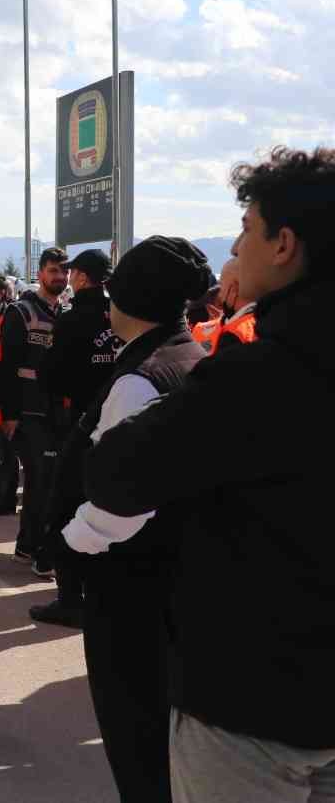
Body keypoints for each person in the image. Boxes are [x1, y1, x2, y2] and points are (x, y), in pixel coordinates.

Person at [83, 149, 335, 803]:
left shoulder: (265, 374)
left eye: (247, 227)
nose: (236, 244)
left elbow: (116, 474)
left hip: (254, 700)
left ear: (284, 244)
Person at [51, 237, 210, 802]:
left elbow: (124, 499)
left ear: (127, 301)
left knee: (135, 731)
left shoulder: (141, 378)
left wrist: (71, 543)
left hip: (132, 585)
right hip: (174, 578)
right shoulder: (189, 356)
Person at [30, 247, 121, 626]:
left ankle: (70, 598)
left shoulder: (72, 318)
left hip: (80, 423)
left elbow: (53, 374)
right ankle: (104, 593)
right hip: (120, 417)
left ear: (81, 277)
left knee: (66, 509)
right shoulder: (118, 313)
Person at [0, 246, 68, 572]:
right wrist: (9, 414)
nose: (60, 277)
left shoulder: (65, 314)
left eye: (64, 272)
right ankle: (33, 549)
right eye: (54, 271)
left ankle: (29, 546)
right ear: (40, 273)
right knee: (40, 479)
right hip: (27, 413)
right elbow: (7, 367)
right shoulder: (21, 313)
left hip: (56, 413)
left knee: (47, 481)